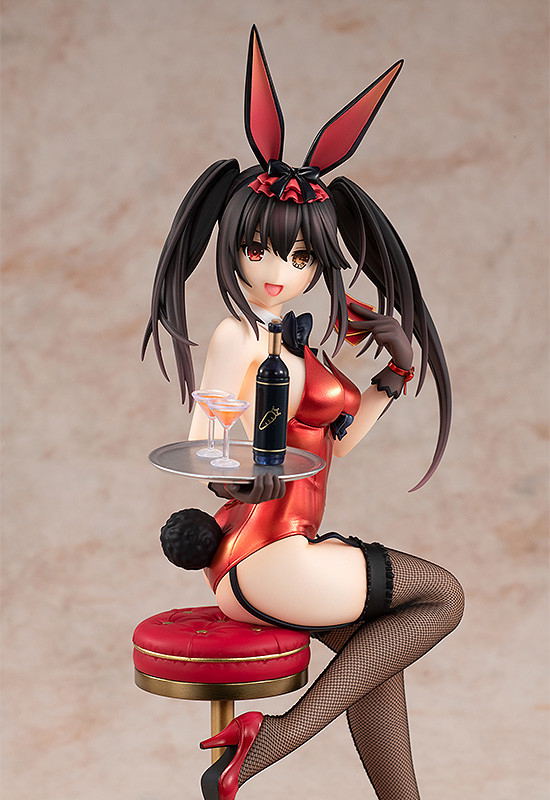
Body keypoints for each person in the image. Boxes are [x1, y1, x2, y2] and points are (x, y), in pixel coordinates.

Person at [144, 25, 464, 800]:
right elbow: (204, 439)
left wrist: (396, 370)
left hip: (289, 550)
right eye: (258, 250)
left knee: (374, 667)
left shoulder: (299, 344)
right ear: (232, 245)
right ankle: (268, 743)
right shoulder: (237, 336)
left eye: (299, 258)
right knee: (443, 597)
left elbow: (337, 446)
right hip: (262, 554)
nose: (276, 271)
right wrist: (237, 478)